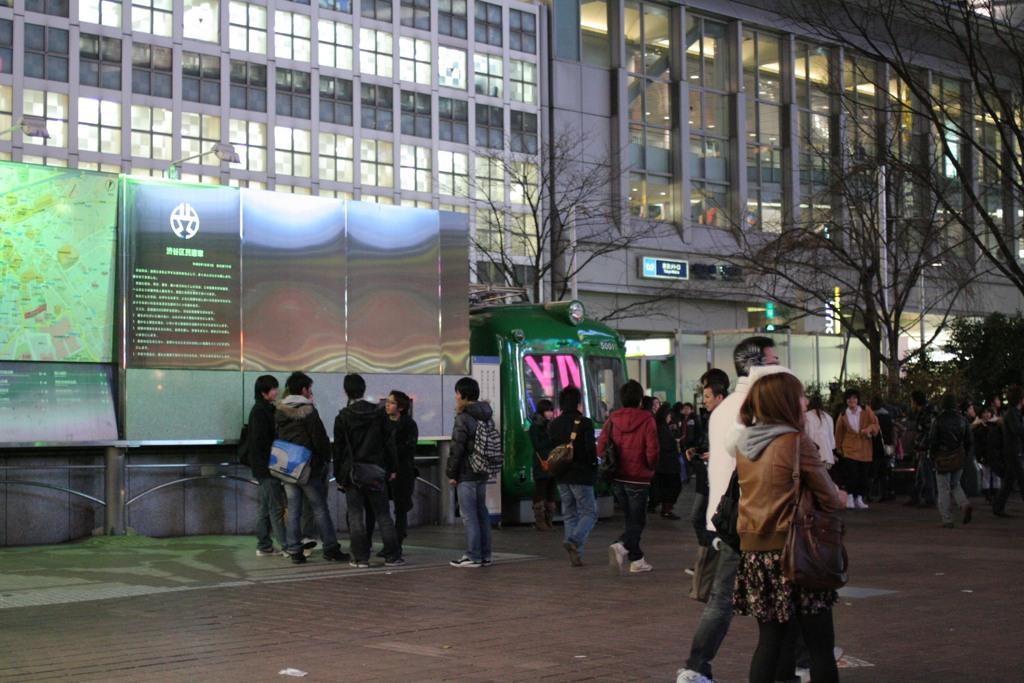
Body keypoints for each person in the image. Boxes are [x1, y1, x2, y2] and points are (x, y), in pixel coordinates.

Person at [677, 336, 784, 683]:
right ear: (758, 365)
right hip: (754, 518)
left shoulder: (721, 410)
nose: (780, 364)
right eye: (774, 358)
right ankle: (798, 661)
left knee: (722, 601)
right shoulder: (759, 408)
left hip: (722, 518)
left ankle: (695, 668)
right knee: (784, 596)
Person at [733, 372, 842, 683]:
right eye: (800, 396)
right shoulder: (796, 443)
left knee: (770, 642)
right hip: (797, 552)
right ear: (785, 403)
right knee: (820, 643)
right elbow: (830, 499)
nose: (805, 402)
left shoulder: (744, 444)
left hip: (756, 553)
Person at [274, 372, 349, 564]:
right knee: (320, 508)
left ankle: (295, 550)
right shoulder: (308, 411)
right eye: (310, 388)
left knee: (294, 509)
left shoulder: (279, 411)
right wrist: (325, 458)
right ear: (305, 389)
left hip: (287, 466)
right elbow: (319, 439)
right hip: (307, 467)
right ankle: (331, 548)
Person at [333, 374, 403, 568]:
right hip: (376, 471)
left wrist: (339, 475)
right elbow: (389, 443)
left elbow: (338, 449)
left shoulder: (343, 417)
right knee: (383, 514)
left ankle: (360, 558)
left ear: (346, 391)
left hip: (352, 472)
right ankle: (393, 555)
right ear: (364, 390)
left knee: (355, 515)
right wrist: (393, 468)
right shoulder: (379, 414)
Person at [602, 379, 659, 575]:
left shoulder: (612, 419)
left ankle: (637, 560)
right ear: (640, 400)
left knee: (630, 520)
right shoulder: (647, 419)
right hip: (639, 478)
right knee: (638, 522)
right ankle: (621, 546)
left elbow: (601, 447)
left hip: (619, 477)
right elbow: (652, 450)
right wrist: (650, 467)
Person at [446, 376, 494, 567]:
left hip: (467, 471)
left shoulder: (463, 417)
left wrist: (452, 473)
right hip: (482, 470)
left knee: (469, 515)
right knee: (481, 512)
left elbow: (457, 448)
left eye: (457, 392)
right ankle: (485, 554)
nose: (456, 396)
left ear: (462, 394)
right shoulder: (487, 414)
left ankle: (473, 555)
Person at [549, 385, 598, 567]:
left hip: (562, 475)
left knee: (570, 514)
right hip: (581, 474)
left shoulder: (553, 424)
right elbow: (590, 449)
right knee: (590, 513)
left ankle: (577, 554)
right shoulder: (584, 422)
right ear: (578, 403)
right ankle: (574, 541)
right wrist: (594, 467)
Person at [248, 374, 286, 557]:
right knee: (275, 507)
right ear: (263, 392)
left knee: (265, 507)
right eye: (273, 388)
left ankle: (264, 545)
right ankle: (287, 546)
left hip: (265, 466)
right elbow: (261, 440)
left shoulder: (265, 409)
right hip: (267, 467)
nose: (276, 391)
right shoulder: (259, 411)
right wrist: (274, 460)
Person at [929, 393, 973, 528]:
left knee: (943, 488)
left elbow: (933, 440)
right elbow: (968, 440)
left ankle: (947, 519)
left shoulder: (938, 419)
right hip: (958, 456)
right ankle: (964, 504)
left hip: (942, 457)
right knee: (955, 483)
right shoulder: (963, 419)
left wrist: (932, 455)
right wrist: (964, 453)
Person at [834, 388, 879, 510]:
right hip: (849, 448)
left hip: (865, 448)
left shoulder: (866, 411)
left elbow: (875, 424)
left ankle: (859, 497)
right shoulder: (843, 415)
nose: (852, 400)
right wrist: (838, 448)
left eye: (854, 398)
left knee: (864, 475)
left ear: (858, 400)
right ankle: (850, 496)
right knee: (851, 473)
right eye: (849, 398)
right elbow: (839, 433)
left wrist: (869, 429)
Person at [386, 390, 418, 551]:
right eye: (388, 401)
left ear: (401, 407)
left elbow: (409, 448)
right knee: (382, 508)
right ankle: (388, 542)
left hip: (402, 472)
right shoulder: (382, 422)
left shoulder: (409, 425)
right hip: (384, 471)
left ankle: (397, 541)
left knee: (400, 508)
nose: (387, 405)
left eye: (392, 402)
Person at [993, 385, 1024, 518]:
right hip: (1014, 451)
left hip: (1012, 450)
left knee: (1010, 481)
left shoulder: (1011, 413)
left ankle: (998, 506)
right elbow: (1017, 430)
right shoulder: (1013, 414)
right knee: (1021, 479)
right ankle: (998, 506)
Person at [905, 391, 937, 508]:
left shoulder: (926, 414)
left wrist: (920, 445)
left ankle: (930, 499)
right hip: (923, 447)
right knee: (920, 474)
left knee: (925, 474)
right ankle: (916, 497)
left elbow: (926, 432)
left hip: (925, 448)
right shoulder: (927, 413)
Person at [528, 398, 557, 531]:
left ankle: (548, 521)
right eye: (547, 411)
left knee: (551, 491)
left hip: (553, 462)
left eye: (551, 410)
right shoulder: (535, 426)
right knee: (540, 490)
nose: (550, 413)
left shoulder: (552, 425)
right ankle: (540, 521)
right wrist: (550, 439)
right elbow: (537, 445)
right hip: (542, 463)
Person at [653, 403, 683, 519]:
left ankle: (667, 508)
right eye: (669, 416)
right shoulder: (662, 429)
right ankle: (667, 508)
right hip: (667, 463)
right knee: (673, 486)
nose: (670, 418)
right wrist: (675, 444)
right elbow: (665, 445)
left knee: (668, 486)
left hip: (666, 463)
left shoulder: (662, 427)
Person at [972, 405, 999, 503]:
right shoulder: (979, 427)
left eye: (988, 412)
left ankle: (994, 496)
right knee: (987, 474)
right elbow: (977, 443)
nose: (986, 414)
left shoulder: (994, 425)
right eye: (984, 412)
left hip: (993, 453)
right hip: (985, 453)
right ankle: (989, 497)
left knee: (994, 475)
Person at [803, 392, 836, 469]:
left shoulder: (806, 416)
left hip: (812, 455)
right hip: (827, 455)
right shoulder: (828, 417)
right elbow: (832, 440)